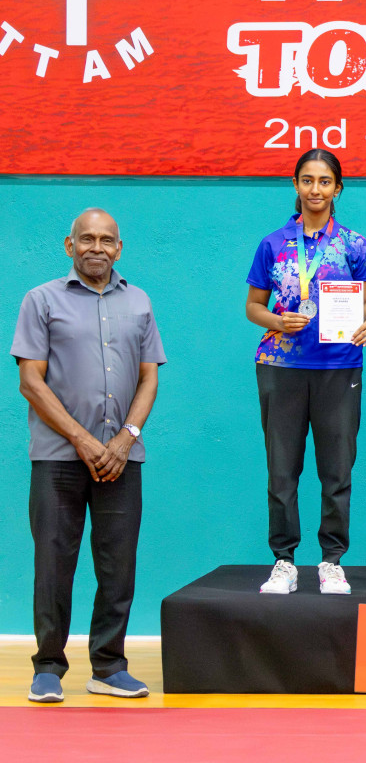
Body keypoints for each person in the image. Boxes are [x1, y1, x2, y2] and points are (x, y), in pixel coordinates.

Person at [13, 209, 165, 702]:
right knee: (54, 563)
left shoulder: (139, 301)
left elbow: (148, 378)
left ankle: (109, 665)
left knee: (118, 565)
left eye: (106, 240)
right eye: (86, 239)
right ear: (69, 245)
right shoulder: (41, 300)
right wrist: (82, 439)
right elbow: (31, 381)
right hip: (58, 457)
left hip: (123, 458)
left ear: (118, 247)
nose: (96, 247)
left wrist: (126, 438)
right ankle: (48, 669)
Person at [245, 150, 366, 596]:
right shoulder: (272, 243)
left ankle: (331, 561)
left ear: (337, 188)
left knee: (337, 470)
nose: (316, 189)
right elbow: (253, 308)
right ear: (296, 185)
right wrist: (277, 322)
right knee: (282, 471)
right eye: (307, 180)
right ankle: (284, 561)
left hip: (339, 368)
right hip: (280, 366)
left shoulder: (355, 245)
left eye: (325, 181)